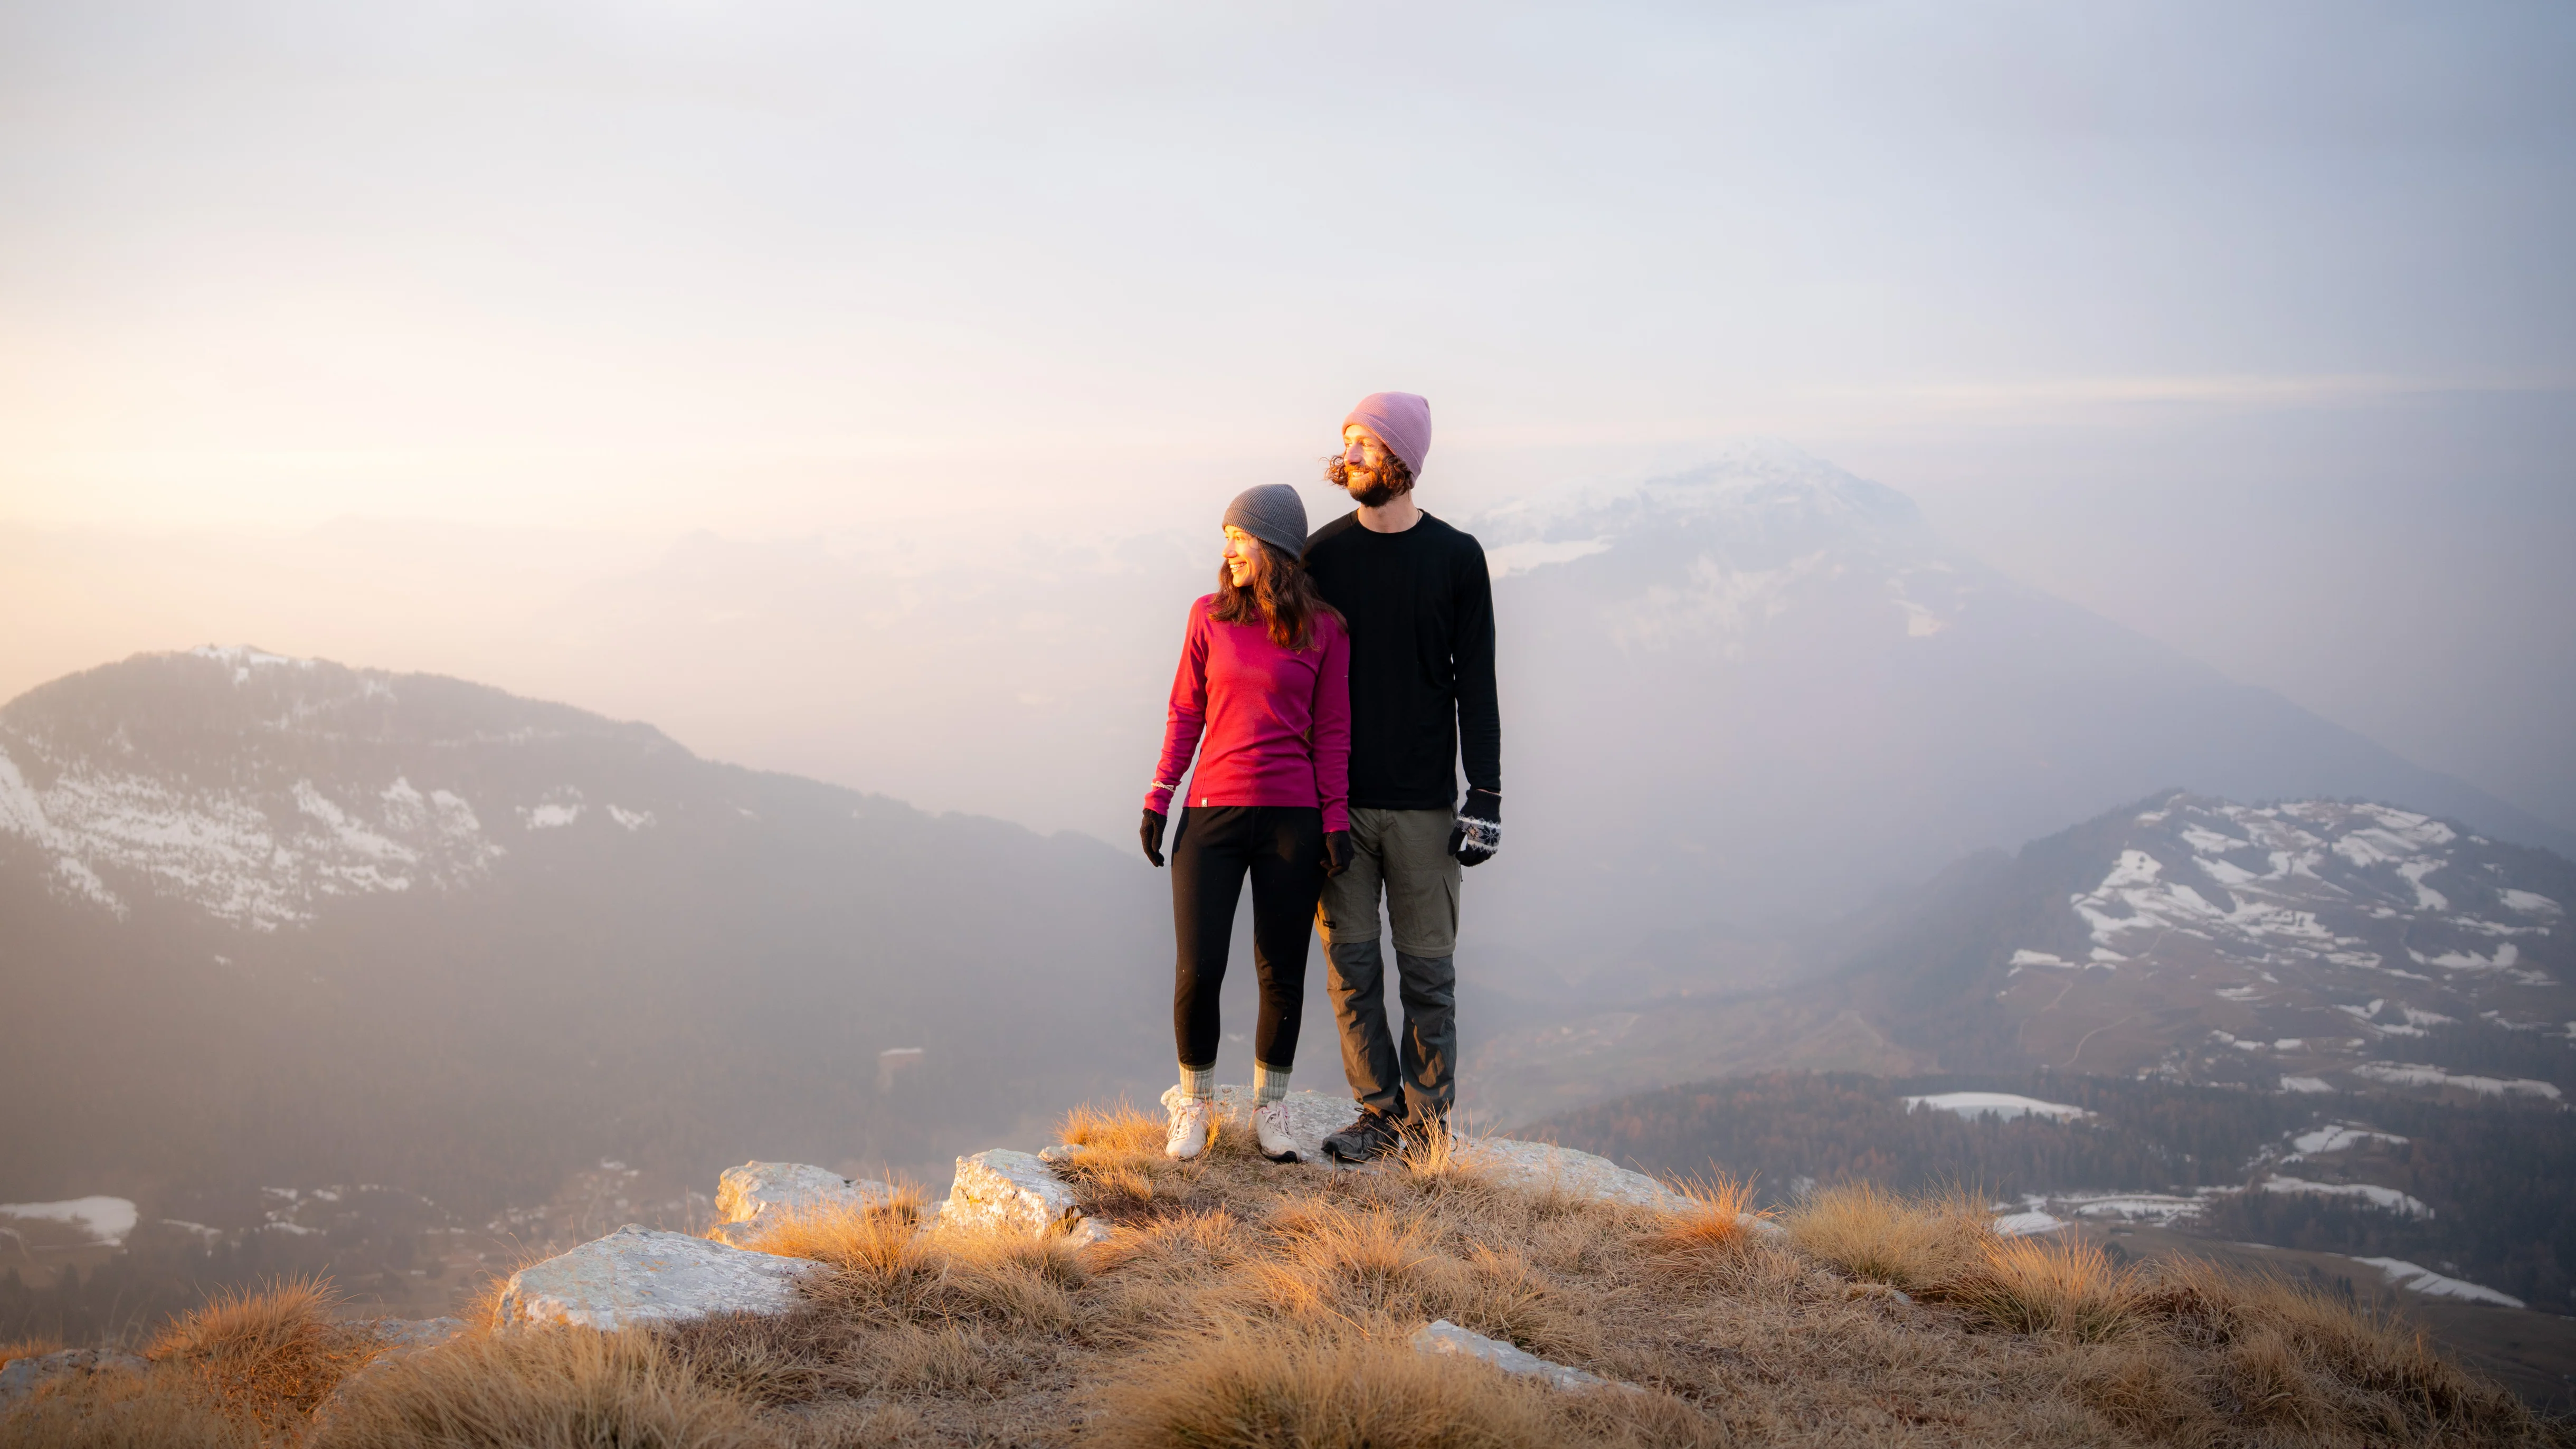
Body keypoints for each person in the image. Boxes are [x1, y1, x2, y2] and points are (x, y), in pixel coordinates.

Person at [1302, 392, 1500, 1164]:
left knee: (1427, 973)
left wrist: (1485, 794)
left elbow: (1476, 682)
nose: (1348, 455)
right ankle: (1377, 1115)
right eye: (1346, 441)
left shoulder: (1456, 558)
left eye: (1364, 443)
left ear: (1403, 460)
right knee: (1351, 971)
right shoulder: (1320, 558)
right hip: (1336, 801)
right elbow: (1291, 675)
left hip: (1424, 804)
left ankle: (1427, 1125)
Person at [1140, 484, 1353, 1162]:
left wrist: (1335, 820)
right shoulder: (1207, 617)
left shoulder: (1325, 631)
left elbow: (1332, 734)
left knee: (1279, 971)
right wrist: (1158, 796)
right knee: (1198, 968)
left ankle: (1271, 1110)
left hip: (1292, 820)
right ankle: (1195, 1105)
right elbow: (1184, 714)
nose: (1228, 551)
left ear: (1276, 550)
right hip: (1211, 816)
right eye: (1227, 538)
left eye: (1240, 538)